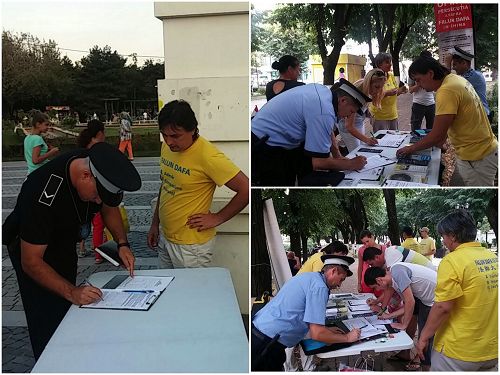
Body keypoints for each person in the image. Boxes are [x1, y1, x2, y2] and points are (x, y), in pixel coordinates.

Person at [2, 142, 141, 360]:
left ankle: (70, 358)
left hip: (64, 241)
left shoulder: (95, 164)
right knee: (46, 317)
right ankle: (49, 363)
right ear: (85, 175)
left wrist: (122, 243)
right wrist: (71, 292)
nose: (97, 202)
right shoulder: (42, 192)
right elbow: (31, 262)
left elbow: (108, 207)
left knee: (68, 310)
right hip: (33, 251)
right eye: (96, 196)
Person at [147, 100, 249, 269]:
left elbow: (246, 189)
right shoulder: (167, 148)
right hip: (166, 237)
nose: (169, 141)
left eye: (175, 136)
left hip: (191, 247)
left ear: (192, 130)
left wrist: (218, 217)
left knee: (191, 294)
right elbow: (165, 185)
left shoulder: (208, 156)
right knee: (170, 292)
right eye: (164, 135)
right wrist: (154, 223)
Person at [415, 210, 498, 371]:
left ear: (452, 236)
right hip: (491, 348)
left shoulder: (452, 261)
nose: (443, 241)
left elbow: (442, 307)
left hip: (458, 351)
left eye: (444, 236)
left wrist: (423, 337)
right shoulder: (492, 258)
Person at [397, 55, 498, 186]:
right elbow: (447, 124)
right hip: (474, 153)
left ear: (430, 74)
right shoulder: (453, 79)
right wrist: (439, 143)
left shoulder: (446, 90)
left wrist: (411, 149)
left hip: (478, 157)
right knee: (456, 184)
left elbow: (437, 135)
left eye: (419, 80)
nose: (418, 85)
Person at [251, 79, 371, 186]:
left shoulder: (324, 93)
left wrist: (337, 155)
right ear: (343, 100)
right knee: (279, 182)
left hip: (272, 139)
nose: (348, 116)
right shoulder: (324, 111)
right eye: (351, 111)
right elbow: (319, 162)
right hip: (264, 146)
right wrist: (351, 164)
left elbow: (327, 130)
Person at [252, 255, 361, 371]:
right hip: (267, 345)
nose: (339, 285)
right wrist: (347, 338)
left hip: (261, 334)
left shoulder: (310, 277)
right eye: (341, 279)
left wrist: (327, 330)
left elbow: (306, 317)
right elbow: (317, 334)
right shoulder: (320, 287)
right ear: (333, 271)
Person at [365, 263, 437, 371]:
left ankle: (427, 367)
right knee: (424, 335)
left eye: (376, 287)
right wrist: (388, 316)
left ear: (379, 280)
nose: (379, 290)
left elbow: (410, 302)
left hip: (435, 299)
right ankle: (423, 363)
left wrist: (404, 324)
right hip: (425, 300)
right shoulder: (393, 279)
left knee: (425, 337)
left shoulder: (397, 272)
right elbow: (407, 305)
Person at [77, 120, 107, 263]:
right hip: (96, 192)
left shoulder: (84, 146)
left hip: (84, 192)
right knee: (100, 224)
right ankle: (101, 254)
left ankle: (94, 252)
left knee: (94, 224)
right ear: (100, 133)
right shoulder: (99, 148)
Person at [337, 69, 386, 152]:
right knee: (355, 153)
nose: (378, 91)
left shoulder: (366, 89)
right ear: (368, 83)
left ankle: (343, 146)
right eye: (377, 87)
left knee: (360, 149)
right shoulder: (358, 94)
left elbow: (361, 111)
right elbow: (349, 126)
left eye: (381, 88)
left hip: (357, 124)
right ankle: (343, 149)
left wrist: (369, 114)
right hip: (348, 129)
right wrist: (366, 139)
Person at [447, 46, 491, 120]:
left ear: (464, 63)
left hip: (480, 116)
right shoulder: (471, 75)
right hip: (477, 115)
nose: (453, 68)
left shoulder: (473, 76)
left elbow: (449, 85)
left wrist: (447, 65)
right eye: (452, 65)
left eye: (455, 64)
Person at [370, 52, 407, 132]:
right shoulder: (374, 77)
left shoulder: (391, 75)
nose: (390, 64)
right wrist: (387, 93)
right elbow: (372, 96)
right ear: (379, 64)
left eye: (390, 62)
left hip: (393, 114)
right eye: (387, 62)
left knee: (394, 140)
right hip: (380, 116)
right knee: (381, 141)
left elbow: (394, 93)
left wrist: (401, 91)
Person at [409, 51, 436, 131]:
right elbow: (410, 90)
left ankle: (430, 143)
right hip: (418, 104)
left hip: (431, 103)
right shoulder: (414, 72)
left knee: (431, 128)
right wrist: (419, 83)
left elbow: (435, 87)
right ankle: (415, 142)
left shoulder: (432, 72)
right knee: (415, 128)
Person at [363, 245, 436, 271]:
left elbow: (391, 284)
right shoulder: (387, 256)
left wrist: (382, 304)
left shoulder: (391, 254)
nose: (372, 267)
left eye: (371, 264)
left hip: (429, 273)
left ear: (377, 257)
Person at [357, 230, 386, 294]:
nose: (366, 244)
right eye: (364, 243)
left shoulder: (383, 248)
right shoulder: (361, 250)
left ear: (372, 237)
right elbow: (360, 267)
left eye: (367, 241)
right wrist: (359, 283)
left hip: (379, 279)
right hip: (366, 280)